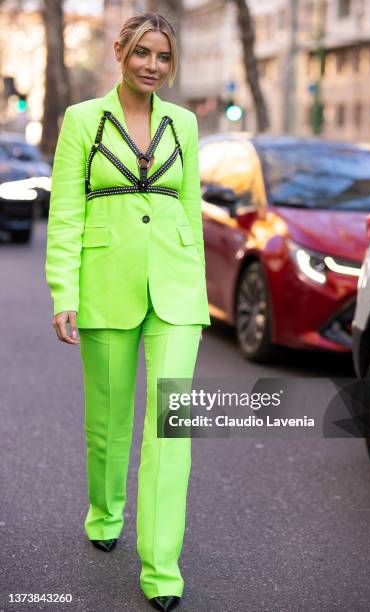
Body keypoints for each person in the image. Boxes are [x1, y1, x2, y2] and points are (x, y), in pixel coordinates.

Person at [45, 12, 211, 612]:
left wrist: (197, 290)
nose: (152, 65)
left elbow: (189, 209)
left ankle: (162, 569)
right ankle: (105, 510)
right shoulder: (82, 120)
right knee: (109, 422)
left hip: (176, 292)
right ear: (120, 51)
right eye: (143, 52)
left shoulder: (186, 125)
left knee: (172, 429)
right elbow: (65, 210)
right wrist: (64, 290)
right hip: (104, 282)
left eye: (163, 57)